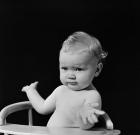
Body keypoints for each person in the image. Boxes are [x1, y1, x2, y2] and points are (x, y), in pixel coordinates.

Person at [22, 31, 108, 129]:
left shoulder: (92, 96)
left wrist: (83, 116)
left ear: (97, 69)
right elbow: (43, 108)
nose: (70, 75)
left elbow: (86, 127)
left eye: (78, 69)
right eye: (64, 68)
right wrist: (31, 91)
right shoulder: (60, 90)